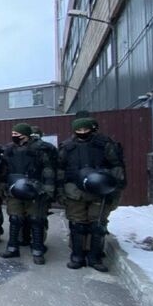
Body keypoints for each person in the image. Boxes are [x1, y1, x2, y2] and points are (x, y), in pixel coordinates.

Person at [57, 117, 126, 272]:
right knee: (77, 225)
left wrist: (113, 189)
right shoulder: (67, 147)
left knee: (98, 225)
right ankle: (77, 256)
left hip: (99, 190)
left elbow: (117, 166)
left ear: (91, 129)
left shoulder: (105, 144)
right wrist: (60, 191)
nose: (82, 133)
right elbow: (60, 170)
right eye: (79, 130)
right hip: (74, 191)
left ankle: (95, 257)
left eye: (85, 130)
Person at [0, 123, 56, 264]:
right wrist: (2, 184)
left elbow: (48, 170)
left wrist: (48, 189)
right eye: (14, 134)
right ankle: (12, 248)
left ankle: (37, 250)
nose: (15, 137)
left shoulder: (39, 149)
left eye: (18, 135)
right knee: (15, 219)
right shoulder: (9, 149)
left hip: (34, 189)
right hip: (14, 188)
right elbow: (4, 169)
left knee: (36, 220)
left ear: (26, 135)